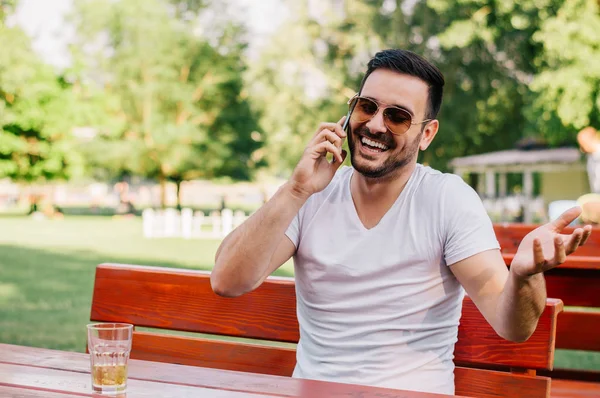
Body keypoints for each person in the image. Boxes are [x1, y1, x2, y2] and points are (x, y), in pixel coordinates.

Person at [211, 49, 592, 395]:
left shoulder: (447, 199)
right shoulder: (310, 194)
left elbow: (513, 327)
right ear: (349, 112)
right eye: (366, 107)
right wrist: (296, 189)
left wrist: (525, 276)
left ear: (426, 134)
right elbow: (227, 281)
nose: (376, 125)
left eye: (397, 116)